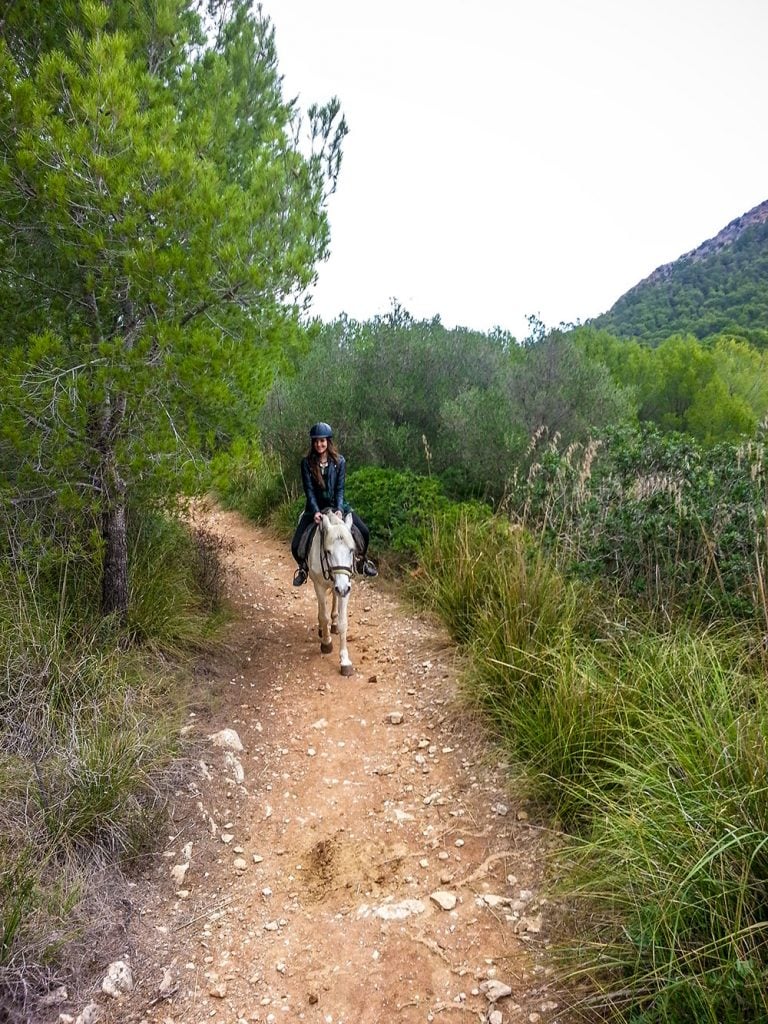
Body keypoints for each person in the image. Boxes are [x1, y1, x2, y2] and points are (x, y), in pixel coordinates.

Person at [291, 422, 378, 586]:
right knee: (295, 545)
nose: (319, 444)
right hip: (315, 508)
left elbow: (340, 488)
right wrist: (315, 511)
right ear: (313, 443)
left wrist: (339, 509)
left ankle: (361, 562)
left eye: (322, 441)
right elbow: (308, 490)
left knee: (364, 532)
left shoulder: (340, 461)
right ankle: (303, 568)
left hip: (338, 506)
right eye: (316, 441)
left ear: (328, 441)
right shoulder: (306, 463)